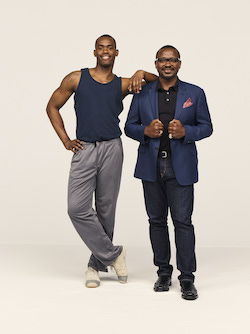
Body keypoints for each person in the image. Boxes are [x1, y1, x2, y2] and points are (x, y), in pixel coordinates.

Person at [46, 35, 157, 288]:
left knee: (106, 210)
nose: (105, 51)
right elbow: (52, 106)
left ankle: (94, 266)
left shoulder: (123, 84)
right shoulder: (76, 78)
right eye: (101, 48)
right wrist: (65, 140)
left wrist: (141, 71)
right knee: (77, 208)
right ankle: (114, 254)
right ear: (95, 52)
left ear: (116, 53)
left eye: (110, 48)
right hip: (84, 149)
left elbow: (157, 81)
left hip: (112, 149)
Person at [125, 45, 213, 300]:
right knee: (156, 221)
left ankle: (187, 278)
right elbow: (129, 126)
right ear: (156, 64)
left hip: (180, 166)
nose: (168, 64)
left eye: (172, 60)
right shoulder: (141, 94)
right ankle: (163, 272)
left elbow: (207, 127)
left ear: (179, 64)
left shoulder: (194, 93)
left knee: (183, 223)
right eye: (163, 60)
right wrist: (144, 132)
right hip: (150, 166)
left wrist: (187, 132)